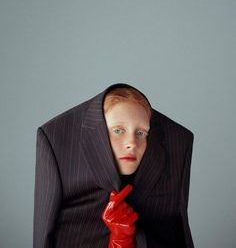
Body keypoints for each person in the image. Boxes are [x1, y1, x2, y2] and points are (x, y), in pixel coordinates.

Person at [33, 83, 194, 248]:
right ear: (101, 131)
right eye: (118, 131)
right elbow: (44, 232)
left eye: (140, 133)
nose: (131, 143)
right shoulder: (56, 140)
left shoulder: (178, 143)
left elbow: (178, 230)